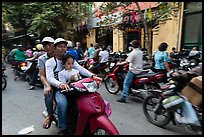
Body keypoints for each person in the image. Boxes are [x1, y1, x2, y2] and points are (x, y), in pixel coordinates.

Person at [45, 38, 101, 135]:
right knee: (62, 104)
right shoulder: (50, 62)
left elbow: (79, 68)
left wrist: (92, 75)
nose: (63, 49)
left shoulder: (69, 58)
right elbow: (49, 78)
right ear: (54, 48)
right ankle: (63, 129)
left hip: (74, 86)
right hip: (60, 89)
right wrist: (60, 84)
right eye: (60, 47)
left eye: (64, 46)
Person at [37, 36, 57, 129]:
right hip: (49, 81)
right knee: (48, 94)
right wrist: (47, 86)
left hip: (61, 80)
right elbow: (42, 75)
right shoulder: (42, 59)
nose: (47, 47)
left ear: (54, 46)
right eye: (45, 46)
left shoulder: (60, 55)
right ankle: (50, 115)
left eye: (49, 45)